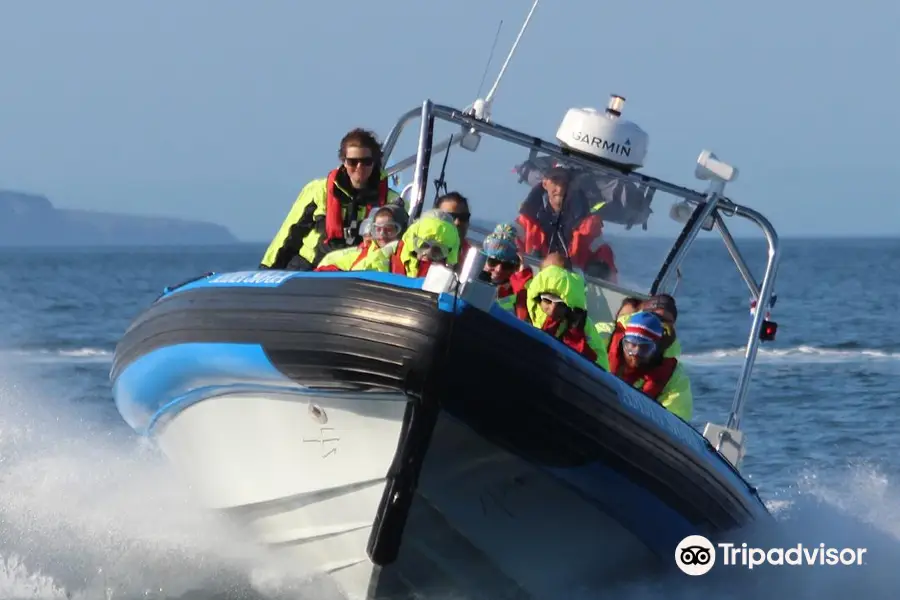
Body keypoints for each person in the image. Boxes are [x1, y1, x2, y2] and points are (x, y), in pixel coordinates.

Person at [259, 128, 402, 271]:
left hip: (355, 271)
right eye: (353, 162)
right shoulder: (318, 190)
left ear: (374, 162)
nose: (359, 167)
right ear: (344, 162)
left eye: (366, 161)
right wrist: (266, 270)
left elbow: (400, 244)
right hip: (308, 269)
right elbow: (289, 235)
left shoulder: (391, 202)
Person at [515, 167, 618, 282]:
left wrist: (601, 270)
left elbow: (604, 254)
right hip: (530, 284)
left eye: (565, 183)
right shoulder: (527, 220)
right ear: (544, 184)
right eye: (555, 181)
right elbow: (509, 239)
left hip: (572, 291)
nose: (560, 188)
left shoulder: (588, 227)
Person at [607, 311, 692, 421]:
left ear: (655, 349)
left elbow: (678, 418)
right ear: (623, 343)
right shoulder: (604, 341)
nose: (636, 354)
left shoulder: (675, 378)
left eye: (644, 348)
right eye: (631, 346)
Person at [524, 264, 609, 370]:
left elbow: (601, 369)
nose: (553, 308)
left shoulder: (583, 327)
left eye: (561, 304)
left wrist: (576, 340)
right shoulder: (523, 308)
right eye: (547, 300)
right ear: (537, 299)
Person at [314, 204, 406, 272]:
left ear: (402, 230)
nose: (382, 235)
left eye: (388, 229)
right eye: (377, 229)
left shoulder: (407, 255)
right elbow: (333, 266)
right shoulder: (363, 253)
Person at [479, 223, 533, 320]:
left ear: (515, 267)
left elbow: (522, 322)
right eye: (493, 261)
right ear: (483, 259)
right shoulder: (468, 279)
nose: (498, 269)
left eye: (507, 265)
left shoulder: (519, 292)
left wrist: (521, 281)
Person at [388, 209, 461, 277]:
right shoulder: (387, 261)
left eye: (436, 250)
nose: (428, 253)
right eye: (424, 245)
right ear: (412, 242)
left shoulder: (449, 280)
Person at [435, 192, 474, 267]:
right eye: (450, 217)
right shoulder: (413, 247)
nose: (457, 222)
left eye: (463, 217)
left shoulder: (471, 261)